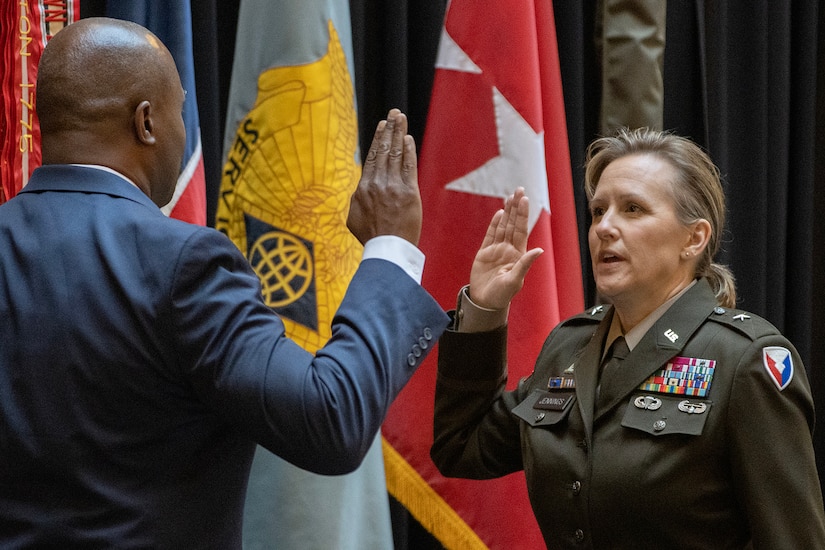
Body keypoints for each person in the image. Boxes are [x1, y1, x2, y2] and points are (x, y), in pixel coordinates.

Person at [0, 17, 449, 548]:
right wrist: (389, 249)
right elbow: (333, 417)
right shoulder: (182, 265)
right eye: (180, 111)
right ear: (146, 121)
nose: (182, 129)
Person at [431, 128, 825, 548]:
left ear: (694, 238)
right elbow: (462, 445)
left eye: (633, 209)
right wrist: (485, 310)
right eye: (599, 211)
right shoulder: (570, 345)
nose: (604, 227)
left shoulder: (744, 360)